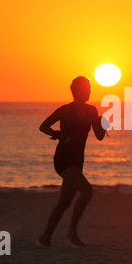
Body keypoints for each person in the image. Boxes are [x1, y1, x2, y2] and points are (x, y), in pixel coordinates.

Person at [37, 76, 107, 247]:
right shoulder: (65, 110)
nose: (90, 90)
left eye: (90, 88)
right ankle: (72, 231)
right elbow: (43, 126)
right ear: (78, 90)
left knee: (65, 202)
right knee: (87, 192)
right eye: (88, 88)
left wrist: (103, 123)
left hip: (78, 160)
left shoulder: (92, 111)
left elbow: (99, 136)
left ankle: (45, 237)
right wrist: (59, 134)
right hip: (63, 159)